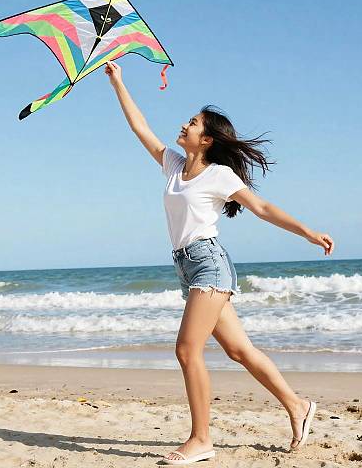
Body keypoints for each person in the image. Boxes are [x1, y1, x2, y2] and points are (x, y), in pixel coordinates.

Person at [105, 61, 334, 465]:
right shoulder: (175, 166)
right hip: (187, 266)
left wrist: (307, 232)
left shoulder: (220, 175)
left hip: (209, 263)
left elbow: (261, 207)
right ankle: (298, 406)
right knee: (239, 351)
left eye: (192, 123)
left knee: (186, 350)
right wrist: (118, 82)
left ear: (207, 139)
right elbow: (140, 128)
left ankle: (201, 439)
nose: (184, 125)